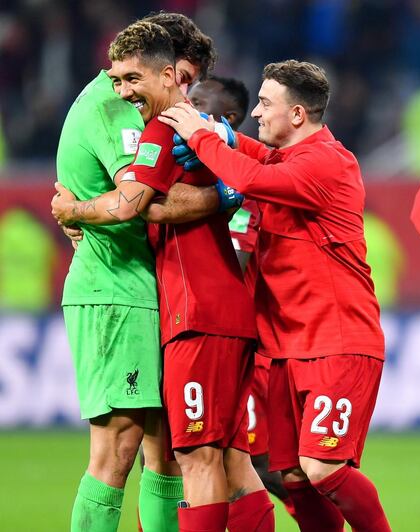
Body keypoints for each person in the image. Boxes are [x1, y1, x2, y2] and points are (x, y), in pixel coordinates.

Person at [52, 22, 273, 532]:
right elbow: (146, 205)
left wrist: (75, 210)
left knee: (171, 452)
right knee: (118, 448)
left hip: (158, 293)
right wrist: (231, 193)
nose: (190, 94)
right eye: (187, 78)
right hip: (116, 291)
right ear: (166, 65)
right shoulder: (117, 106)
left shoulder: (158, 116)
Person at [160, 59, 391, 531]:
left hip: (336, 339)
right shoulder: (291, 158)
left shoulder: (329, 162)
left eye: (266, 104)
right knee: (293, 476)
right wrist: (223, 136)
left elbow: (251, 179)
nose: (258, 114)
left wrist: (202, 136)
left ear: (299, 115)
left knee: (323, 467)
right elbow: (260, 160)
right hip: (288, 347)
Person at [188, 75, 296, 518]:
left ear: (225, 120)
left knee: (261, 466)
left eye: (197, 103)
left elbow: (235, 263)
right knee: (176, 459)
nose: (185, 107)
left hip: (235, 348)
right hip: (195, 332)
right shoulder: (199, 175)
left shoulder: (244, 186)